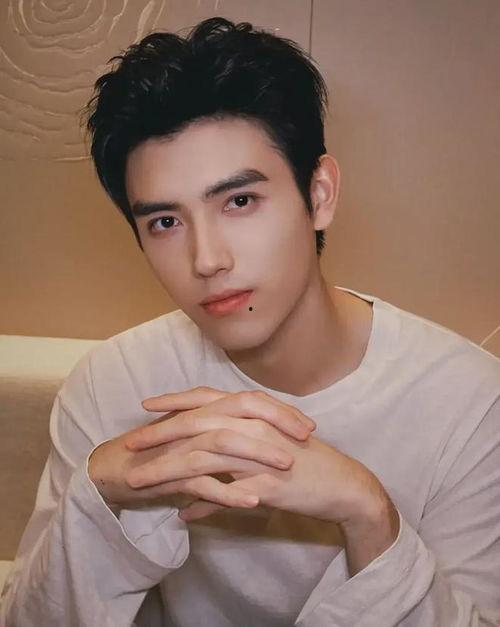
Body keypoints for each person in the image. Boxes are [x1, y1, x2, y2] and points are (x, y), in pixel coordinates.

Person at [1, 16, 499, 627]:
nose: (207, 260)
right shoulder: (113, 382)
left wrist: (369, 513)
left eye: (239, 201)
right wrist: (95, 493)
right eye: (165, 222)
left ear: (319, 194)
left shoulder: (472, 405)